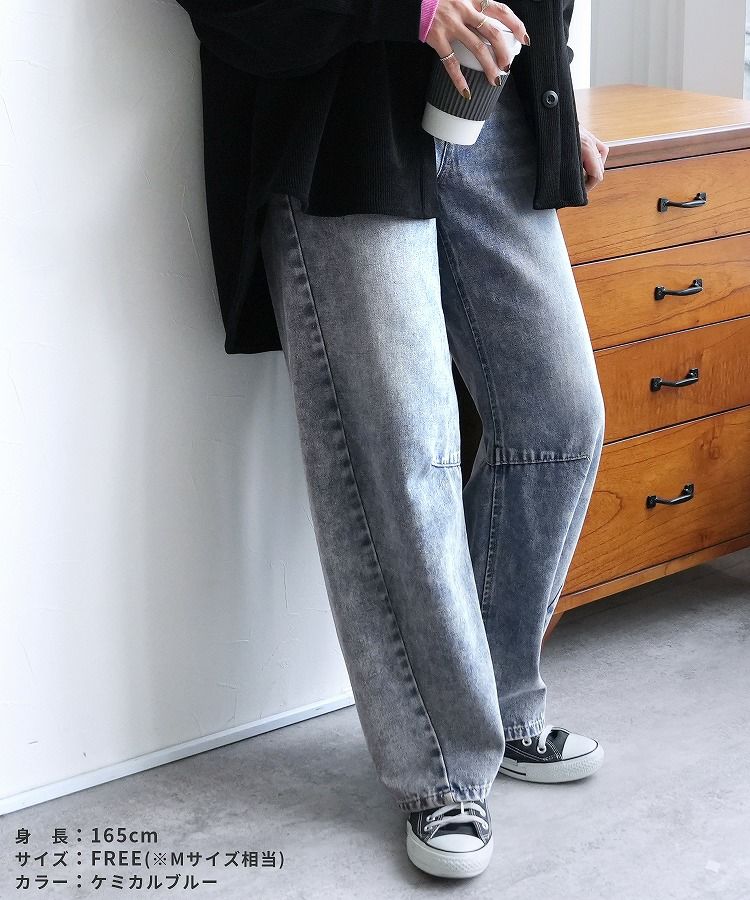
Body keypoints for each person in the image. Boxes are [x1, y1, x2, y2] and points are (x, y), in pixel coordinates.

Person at [175, 0, 610, 881]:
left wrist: (561, 95)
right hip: (343, 120)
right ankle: (442, 767)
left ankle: (499, 702)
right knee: (406, 450)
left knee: (559, 418)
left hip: (492, 105)